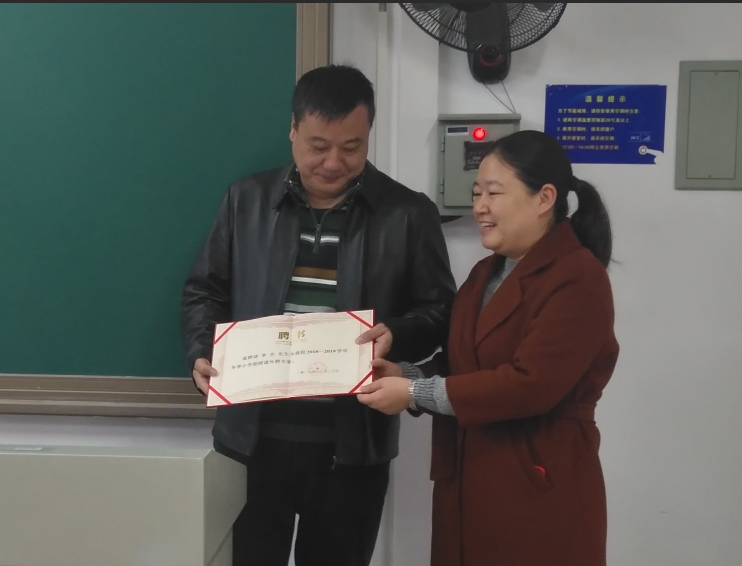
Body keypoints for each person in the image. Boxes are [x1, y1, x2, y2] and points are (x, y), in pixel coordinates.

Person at [180, 64, 457, 566]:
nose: (333, 162)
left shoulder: (407, 213)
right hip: (251, 442)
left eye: (351, 147)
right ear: (292, 131)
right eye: (318, 146)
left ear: (368, 135)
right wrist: (202, 349)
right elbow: (205, 290)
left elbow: (439, 311)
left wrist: (395, 334)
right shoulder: (246, 200)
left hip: (351, 448)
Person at [358, 130, 620, 566]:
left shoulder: (578, 278)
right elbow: (462, 363)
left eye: (494, 193)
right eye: (477, 193)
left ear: (544, 198)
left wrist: (415, 393)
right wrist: (406, 374)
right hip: (470, 478)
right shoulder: (485, 273)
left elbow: (530, 385)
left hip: (538, 485)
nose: (479, 206)